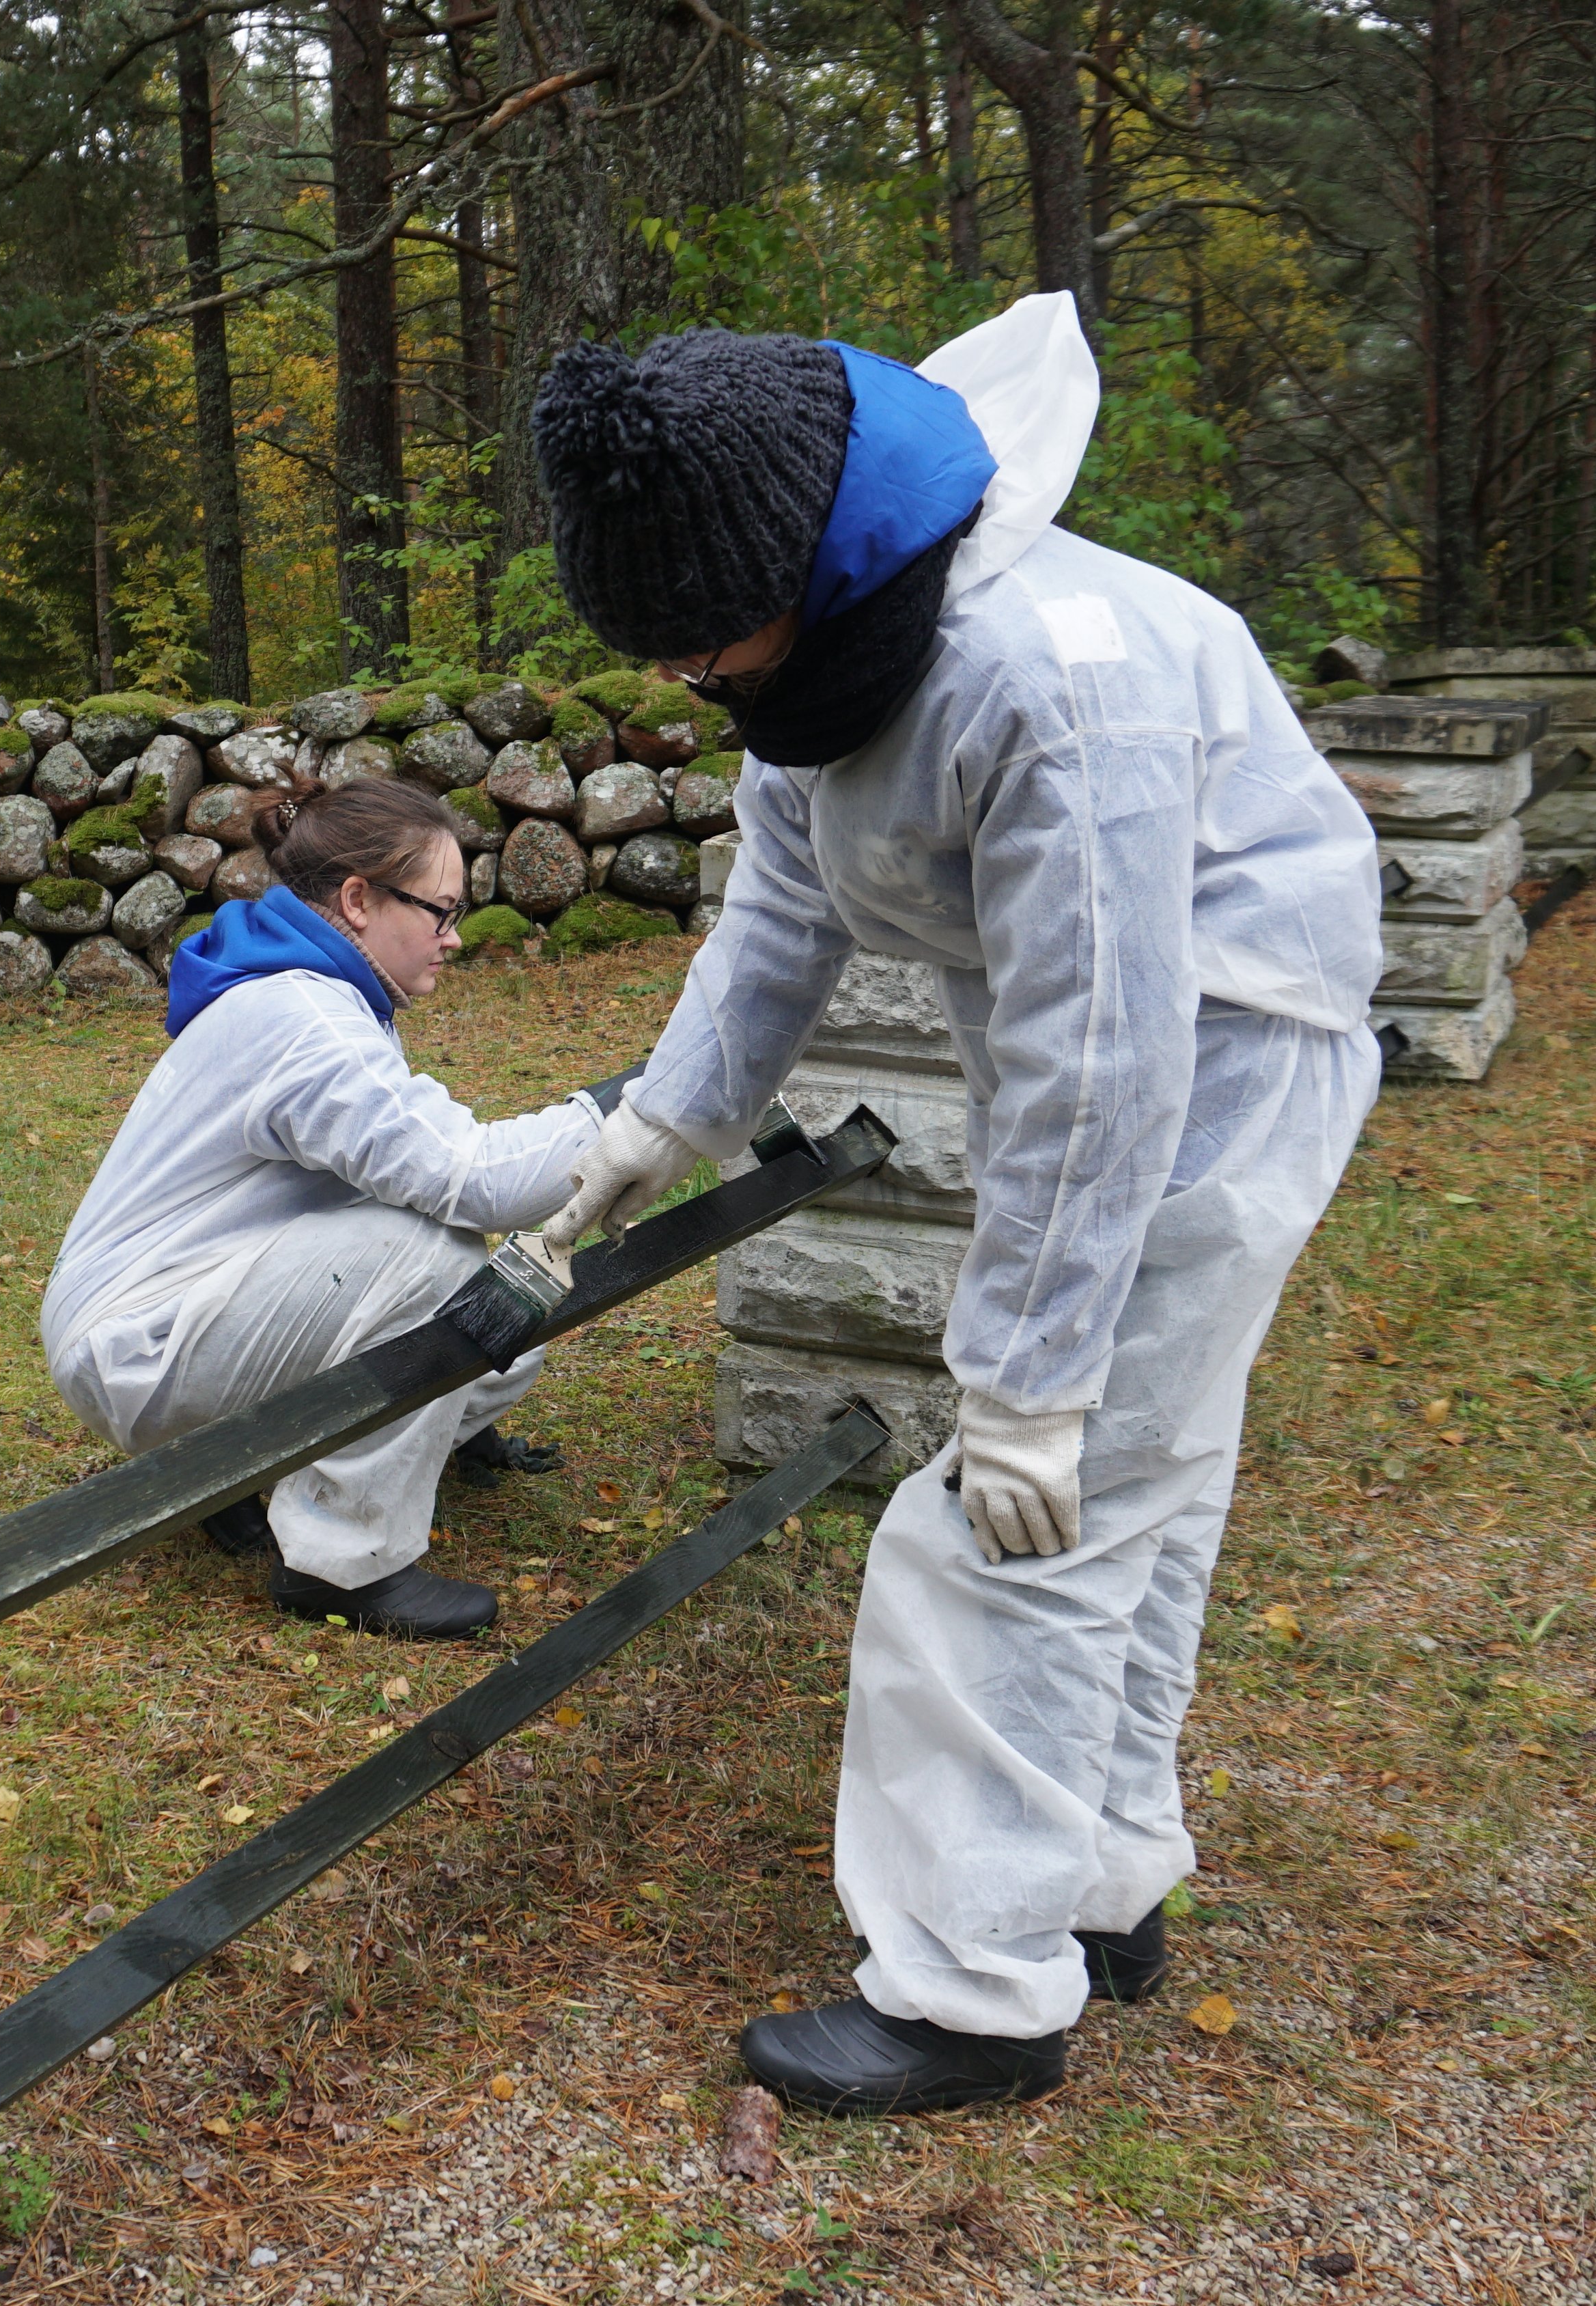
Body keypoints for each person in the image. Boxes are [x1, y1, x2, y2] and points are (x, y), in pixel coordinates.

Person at [527, 296, 1385, 2113]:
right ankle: (1093, 1888)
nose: (686, 677)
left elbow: (1111, 1070)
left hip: (1222, 1070)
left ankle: (974, 1995)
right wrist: (659, 1123)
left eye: (701, 640)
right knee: (1141, 1497)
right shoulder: (818, 653)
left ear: (810, 566)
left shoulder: (1054, 684)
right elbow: (782, 910)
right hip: (1108, 1059)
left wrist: (1026, 1380)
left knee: (1007, 1527)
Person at [40, 779, 596, 1641]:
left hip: (186, 1308)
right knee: (437, 1255)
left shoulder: (319, 991)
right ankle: (337, 1563)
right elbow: (474, 1177)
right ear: (358, 900)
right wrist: (632, 1114)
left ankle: (239, 1473)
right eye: (441, 912)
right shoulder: (303, 1018)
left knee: (505, 1309)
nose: (454, 939)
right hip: (140, 1342)